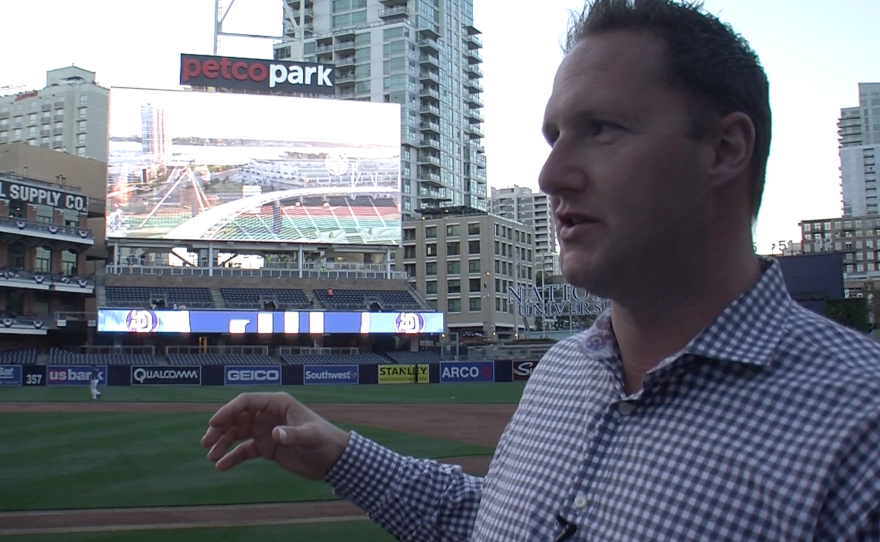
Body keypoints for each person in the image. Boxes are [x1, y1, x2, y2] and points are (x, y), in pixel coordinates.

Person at [201, 0, 880, 539]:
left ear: (725, 149)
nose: (552, 174)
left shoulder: (860, 428)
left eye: (603, 129)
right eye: (555, 137)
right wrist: (341, 455)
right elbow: (491, 522)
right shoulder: (560, 374)